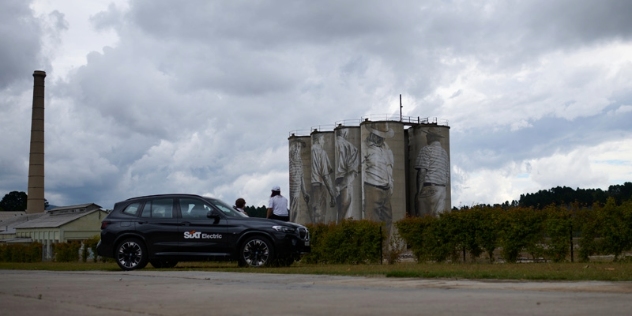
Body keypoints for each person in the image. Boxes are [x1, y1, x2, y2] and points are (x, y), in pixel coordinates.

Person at [362, 123, 394, 233]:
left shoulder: (386, 148)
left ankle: (384, 249)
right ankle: (373, 247)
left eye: (383, 136)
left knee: (388, 220)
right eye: (379, 135)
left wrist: (391, 186)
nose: (381, 138)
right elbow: (361, 170)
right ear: (373, 134)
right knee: (372, 221)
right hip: (372, 188)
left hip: (386, 188)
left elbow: (389, 167)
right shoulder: (364, 147)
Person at [415, 130, 449, 216]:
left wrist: (419, 191)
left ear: (430, 138)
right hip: (442, 189)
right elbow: (447, 174)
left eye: (427, 136)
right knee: (438, 217)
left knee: (425, 217)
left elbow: (422, 171)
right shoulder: (444, 153)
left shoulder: (426, 150)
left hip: (430, 187)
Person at [310, 133, 338, 223]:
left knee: (314, 211)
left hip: (312, 185)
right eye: (323, 139)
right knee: (320, 212)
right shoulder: (321, 152)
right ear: (318, 140)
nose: (324, 141)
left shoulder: (310, 151)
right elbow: (326, 175)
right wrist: (332, 195)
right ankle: (320, 231)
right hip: (320, 185)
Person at [335, 128, 359, 221]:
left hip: (331, 182)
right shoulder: (351, 147)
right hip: (344, 182)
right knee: (344, 209)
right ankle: (341, 230)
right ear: (345, 133)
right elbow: (352, 169)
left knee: (336, 211)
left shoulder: (332, 145)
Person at [289, 140, 310, 222]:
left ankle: (294, 225)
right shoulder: (291, 161)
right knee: (293, 210)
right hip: (293, 190)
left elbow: (302, 178)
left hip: (297, 191)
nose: (298, 150)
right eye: (296, 147)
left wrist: (304, 193)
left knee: (296, 211)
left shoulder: (300, 162)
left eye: (299, 147)